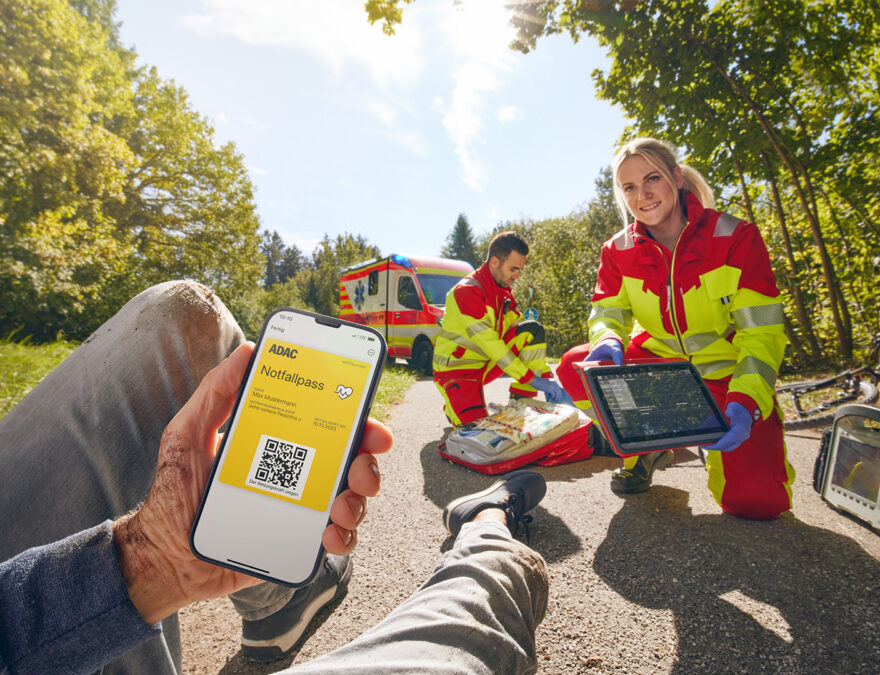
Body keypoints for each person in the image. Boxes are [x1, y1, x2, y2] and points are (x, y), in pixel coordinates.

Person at [0, 281, 549, 674]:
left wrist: (157, 562)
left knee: (181, 314)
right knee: (464, 627)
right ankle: (487, 528)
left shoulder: (496, 292)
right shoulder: (472, 293)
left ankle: (277, 597)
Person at [556, 137, 794, 520]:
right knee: (575, 366)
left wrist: (748, 400)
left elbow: (763, 333)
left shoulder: (736, 237)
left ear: (676, 177)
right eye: (629, 187)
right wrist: (608, 337)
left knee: (758, 504)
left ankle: (710, 435)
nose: (643, 195)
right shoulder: (617, 250)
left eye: (652, 179)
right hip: (659, 374)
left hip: (725, 380)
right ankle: (645, 445)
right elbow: (607, 311)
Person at [433, 231, 571, 426]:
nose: (516, 276)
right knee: (478, 432)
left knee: (532, 330)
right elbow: (491, 344)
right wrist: (532, 379)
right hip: (458, 371)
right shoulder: (467, 292)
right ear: (495, 262)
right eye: (513, 269)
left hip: (486, 365)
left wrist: (546, 378)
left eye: (519, 270)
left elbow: (519, 339)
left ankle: (521, 404)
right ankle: (453, 404)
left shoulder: (503, 294)